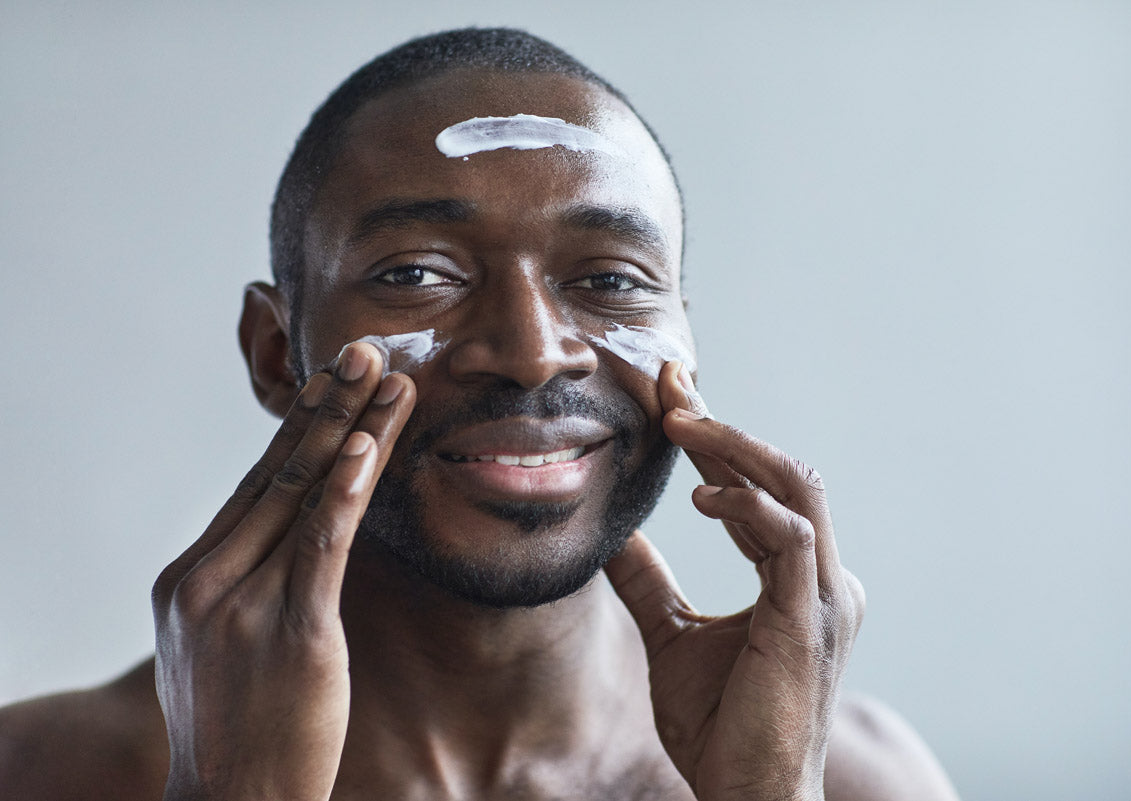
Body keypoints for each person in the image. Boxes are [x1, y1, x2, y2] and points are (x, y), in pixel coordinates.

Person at [0, 28, 958, 800]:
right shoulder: (43, 774)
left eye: (610, 280)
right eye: (417, 273)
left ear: (684, 348)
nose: (536, 349)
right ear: (273, 354)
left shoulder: (855, 783)